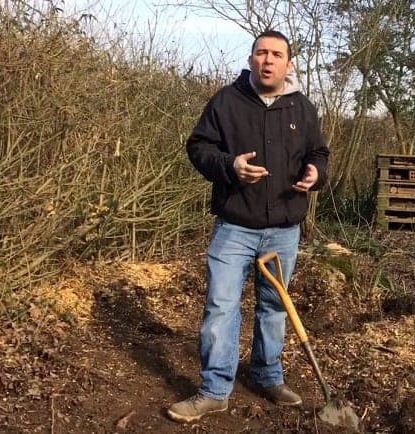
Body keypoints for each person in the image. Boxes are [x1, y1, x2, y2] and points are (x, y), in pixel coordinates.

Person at [167, 30, 330, 423]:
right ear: (252, 58)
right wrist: (230, 166)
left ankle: (267, 375)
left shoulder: (303, 109)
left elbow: (319, 152)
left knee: (274, 308)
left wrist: (316, 173)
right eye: (261, 53)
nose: (268, 60)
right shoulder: (226, 101)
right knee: (221, 307)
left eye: (276, 54)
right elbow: (198, 147)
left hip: (284, 230)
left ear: (289, 64)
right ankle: (214, 390)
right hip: (235, 226)